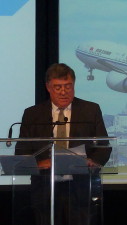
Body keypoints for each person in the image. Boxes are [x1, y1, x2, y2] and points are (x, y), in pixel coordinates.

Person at [15, 63, 111, 225]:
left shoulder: (90, 110)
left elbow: (103, 146)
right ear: (48, 87)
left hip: (80, 187)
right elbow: (22, 151)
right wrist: (39, 164)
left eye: (68, 86)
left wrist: (92, 163)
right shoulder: (32, 114)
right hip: (45, 189)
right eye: (58, 87)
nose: (64, 92)